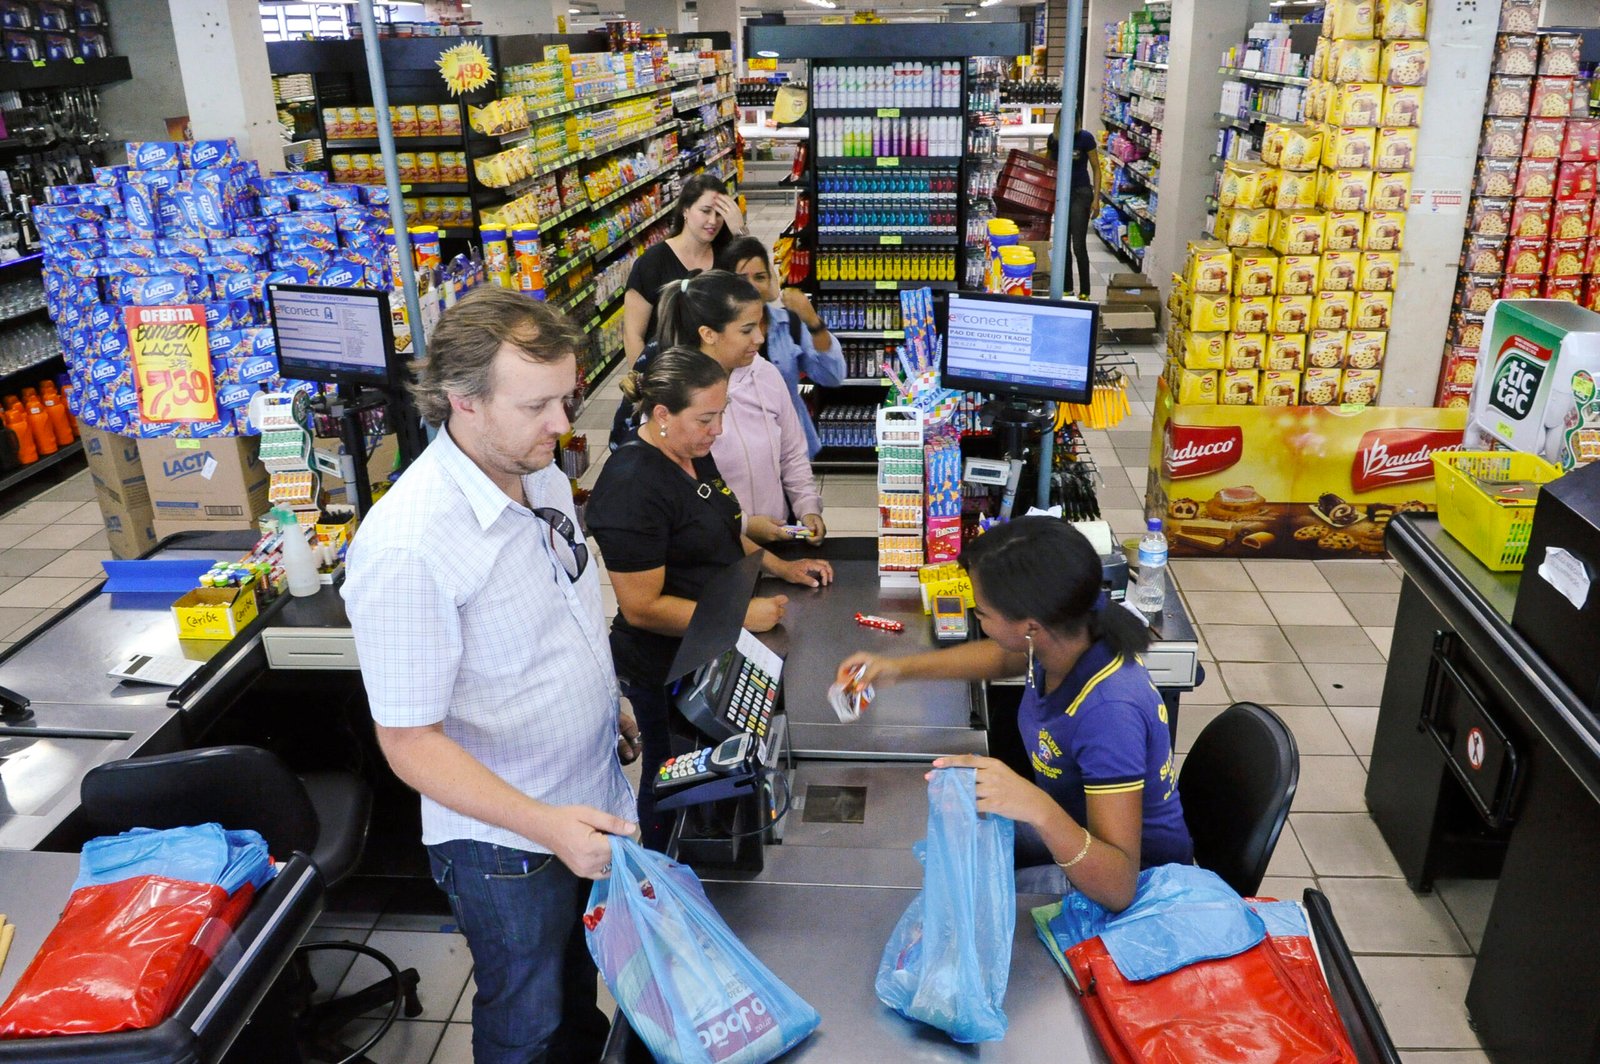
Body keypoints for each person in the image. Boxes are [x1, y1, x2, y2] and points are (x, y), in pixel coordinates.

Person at [342, 288, 638, 1063]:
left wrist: (609, 700)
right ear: (461, 402)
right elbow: (408, 741)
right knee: (526, 1017)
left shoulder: (530, 466)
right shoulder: (409, 546)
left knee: (576, 988)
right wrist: (546, 828)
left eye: (566, 397)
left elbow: (555, 605)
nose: (563, 424)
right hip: (508, 846)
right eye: (537, 404)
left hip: (583, 796)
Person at [836, 517, 1190, 913]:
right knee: (948, 856)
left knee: (969, 905)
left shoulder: (1109, 713)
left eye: (983, 613)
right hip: (1072, 826)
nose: (978, 619)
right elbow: (1006, 655)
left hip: (1129, 880)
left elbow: (1119, 887)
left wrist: (1035, 805)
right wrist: (899, 668)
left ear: (1031, 626)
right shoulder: (1066, 633)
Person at [586, 346, 834, 848]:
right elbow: (642, 607)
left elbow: (723, 530)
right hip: (665, 666)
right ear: (661, 415)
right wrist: (739, 618)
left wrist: (781, 566)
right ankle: (659, 873)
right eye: (706, 418)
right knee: (672, 778)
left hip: (711, 649)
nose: (717, 429)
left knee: (720, 780)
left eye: (720, 414)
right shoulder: (633, 485)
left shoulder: (691, 453)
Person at [655, 270, 826, 545]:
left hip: (776, 540)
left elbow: (792, 452)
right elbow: (675, 490)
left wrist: (807, 507)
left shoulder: (766, 375)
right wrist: (744, 525)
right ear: (708, 334)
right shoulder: (674, 395)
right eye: (746, 330)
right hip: (711, 550)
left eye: (759, 325)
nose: (759, 338)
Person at [716, 235, 844, 458]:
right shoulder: (714, 334)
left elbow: (832, 376)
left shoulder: (788, 325)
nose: (753, 286)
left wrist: (812, 321)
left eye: (760, 277)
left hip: (790, 451)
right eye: (742, 278)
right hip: (737, 454)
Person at [622, 173, 747, 361]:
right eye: (705, 211)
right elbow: (633, 334)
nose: (713, 221)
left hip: (716, 375)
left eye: (720, 214)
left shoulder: (727, 258)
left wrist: (740, 232)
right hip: (669, 376)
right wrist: (644, 382)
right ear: (686, 210)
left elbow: (769, 291)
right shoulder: (653, 262)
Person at [1046, 121, 1100, 301]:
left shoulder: (1085, 138)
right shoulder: (1054, 140)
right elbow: (1048, 168)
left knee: (1078, 245)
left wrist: (1096, 199)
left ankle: (1085, 291)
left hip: (1081, 193)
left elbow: (1096, 168)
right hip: (1061, 194)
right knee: (1063, 245)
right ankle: (1067, 288)